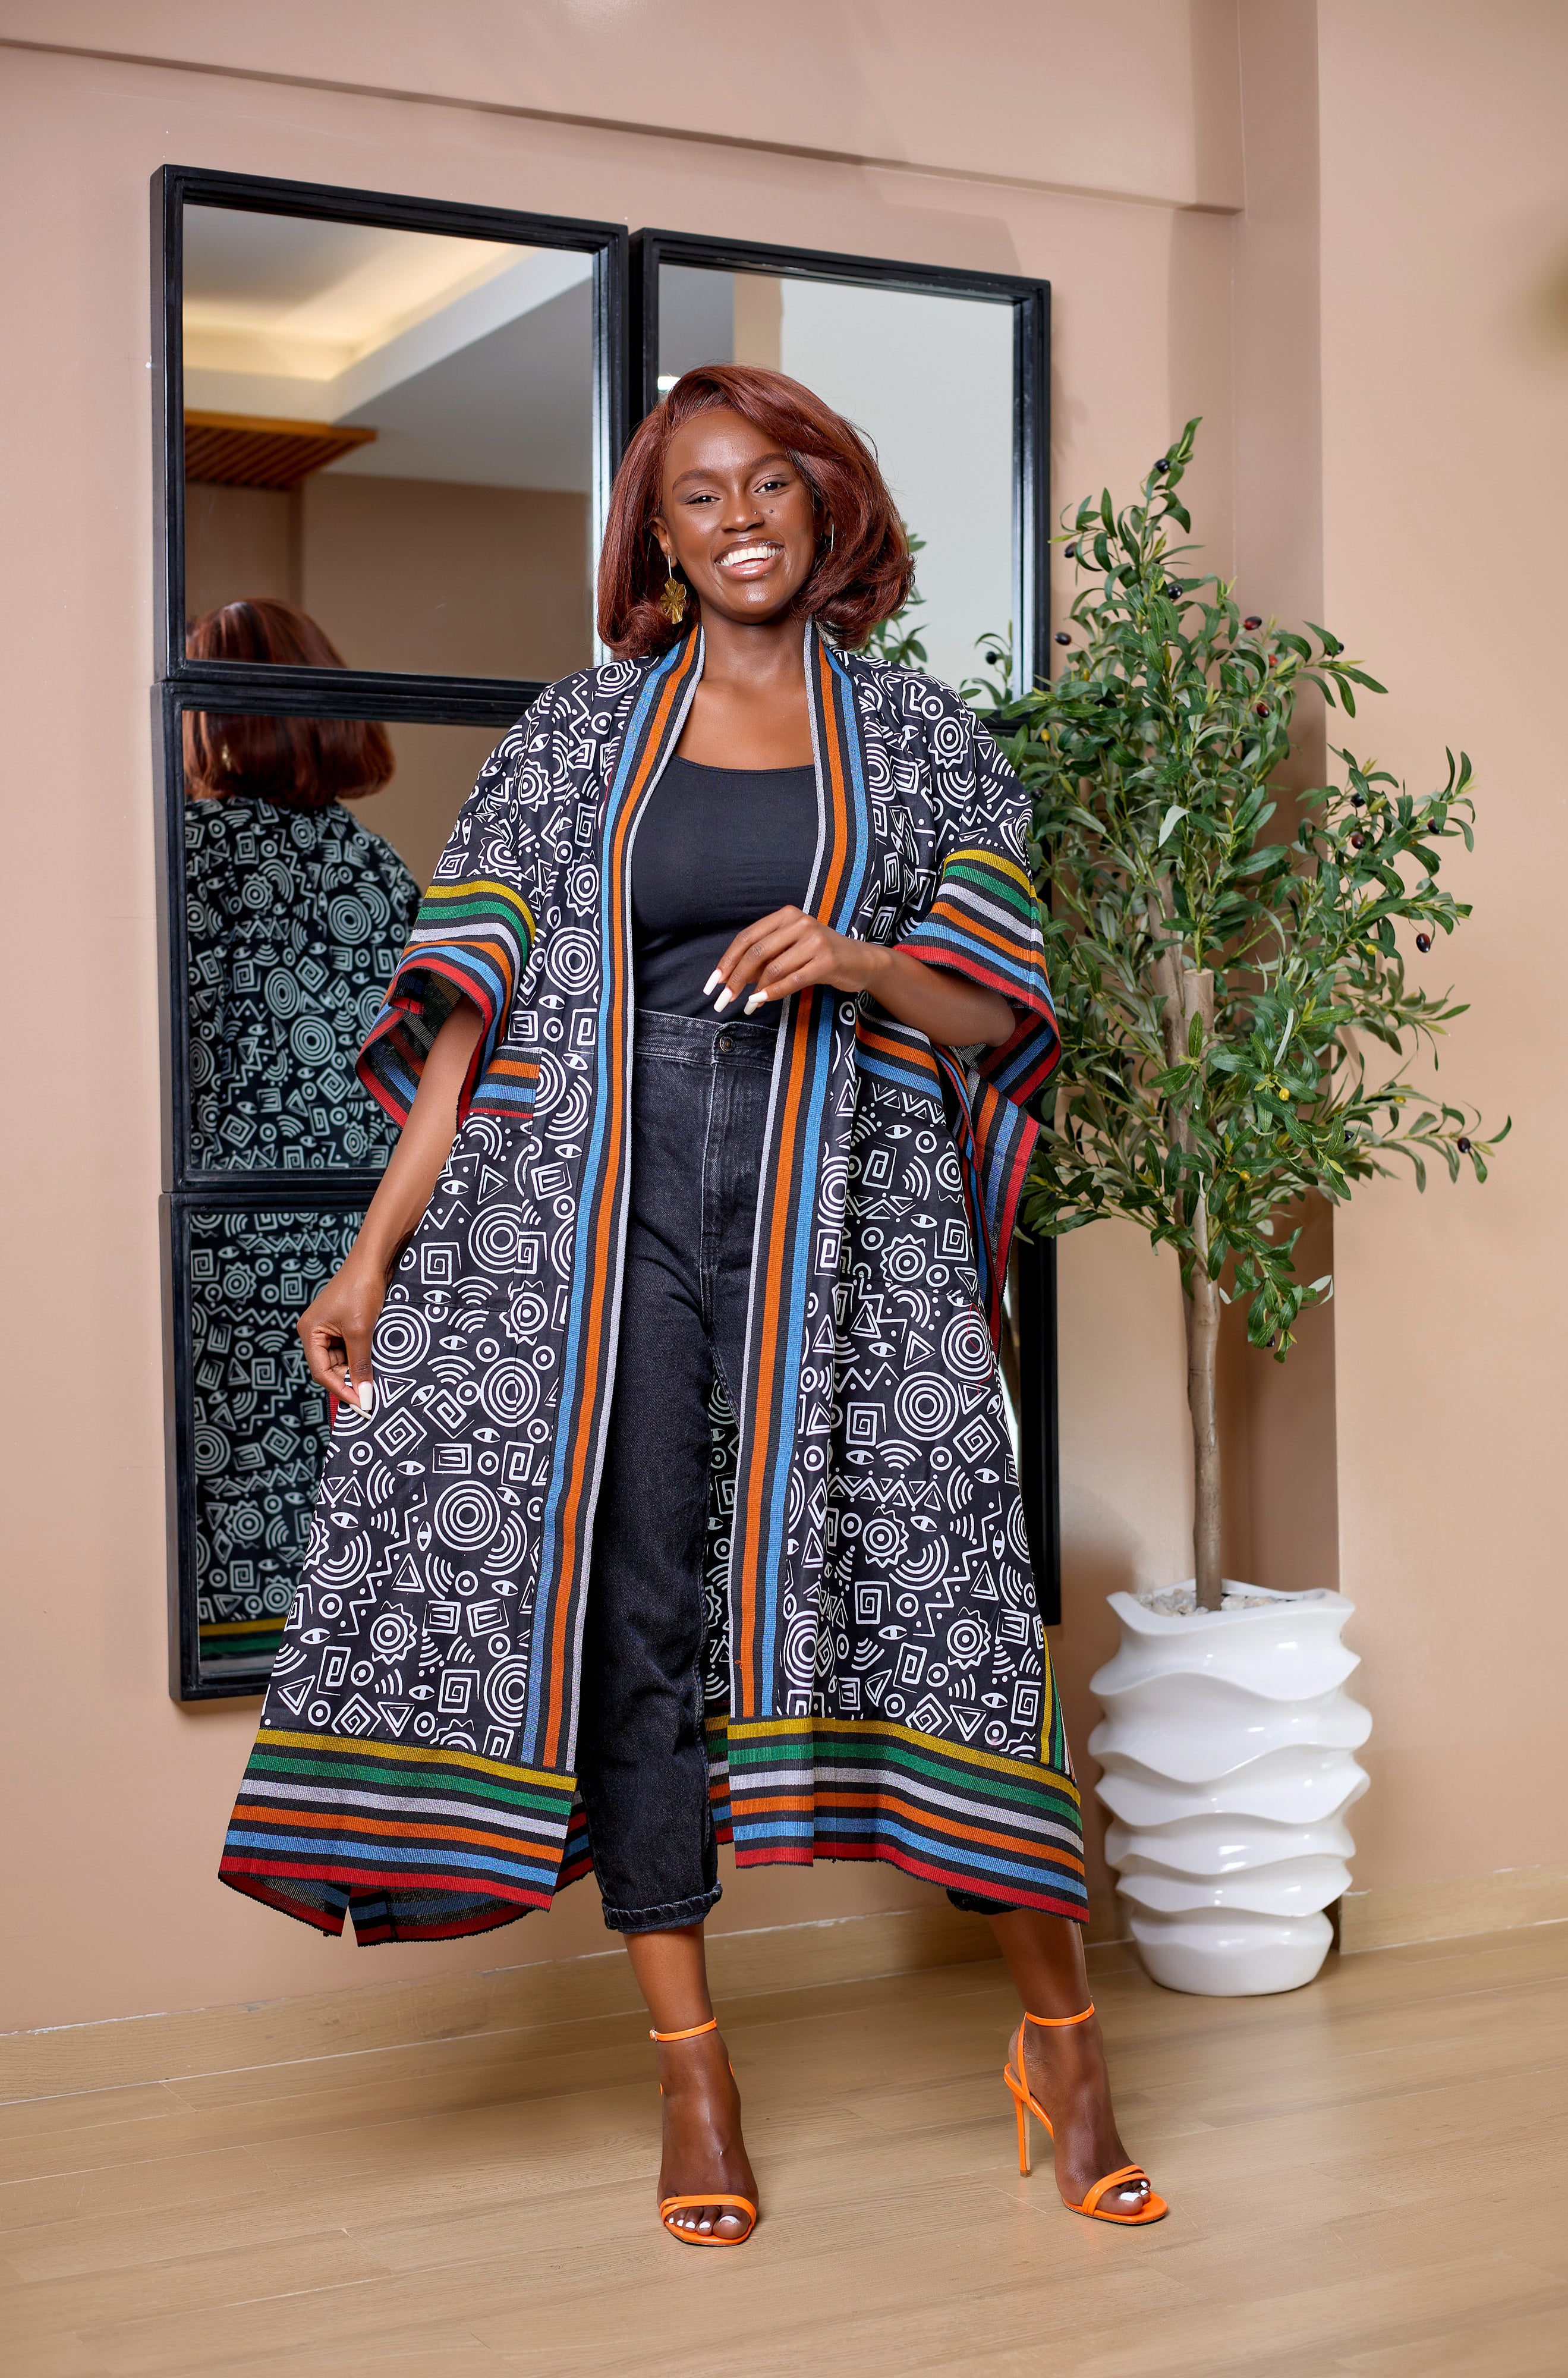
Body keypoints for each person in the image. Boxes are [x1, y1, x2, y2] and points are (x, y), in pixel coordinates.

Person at [219, 368, 1166, 2242]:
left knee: (948, 1608)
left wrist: (864, 960)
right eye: (699, 494)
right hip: (594, 1222)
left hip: (850, 1225)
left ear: (826, 511)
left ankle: (1066, 2051)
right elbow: (471, 1014)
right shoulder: (582, 735)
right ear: (655, 537)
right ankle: (694, 2076)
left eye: (770, 485)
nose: (738, 517)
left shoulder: (921, 739)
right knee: (637, 1623)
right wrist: (371, 1251)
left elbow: (997, 1016)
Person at [184, 600, 420, 1671]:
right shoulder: (383, 871)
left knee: (223, 1529)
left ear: (211, 722)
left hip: (223, 1254)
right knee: (344, 1524)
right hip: (364, 1252)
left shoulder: (184, 862)